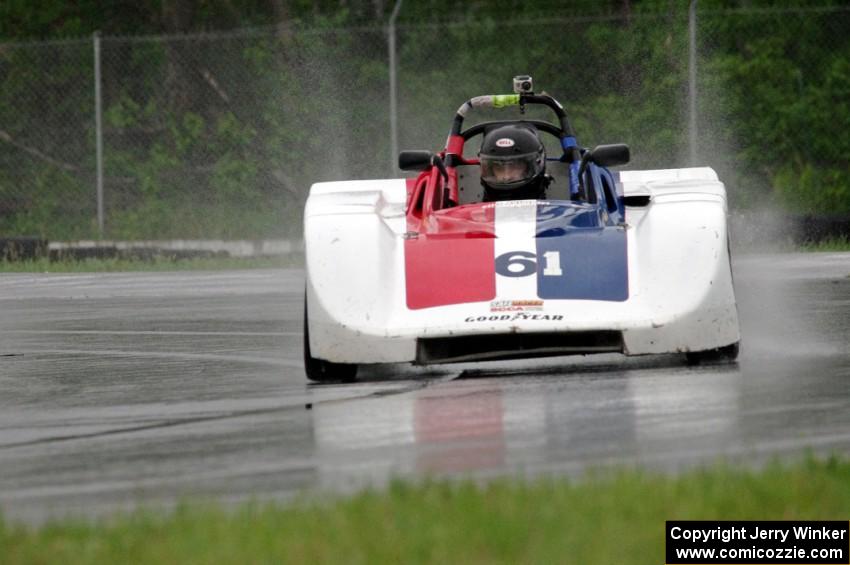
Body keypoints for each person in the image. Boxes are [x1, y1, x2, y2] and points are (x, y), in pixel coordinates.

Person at [479, 124, 550, 201]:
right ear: (490, 170)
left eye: (515, 166)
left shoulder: (559, 210)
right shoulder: (471, 211)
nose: (507, 177)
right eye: (499, 167)